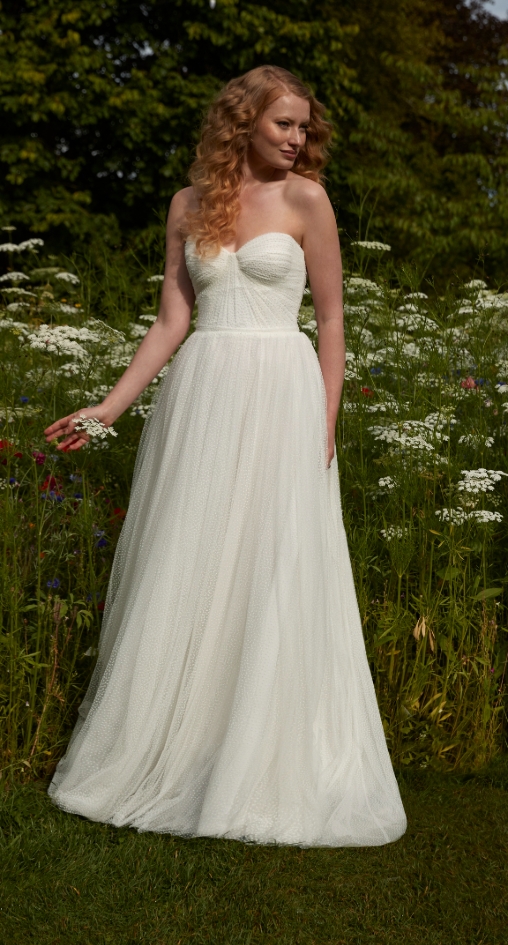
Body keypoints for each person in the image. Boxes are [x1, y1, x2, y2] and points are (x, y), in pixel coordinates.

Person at [45, 65, 407, 848]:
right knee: (194, 563)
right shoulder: (187, 205)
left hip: (283, 391)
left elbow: (335, 321)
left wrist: (326, 418)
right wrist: (108, 406)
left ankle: (265, 762)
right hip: (203, 392)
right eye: (284, 125)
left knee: (272, 567)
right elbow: (171, 321)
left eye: (305, 128)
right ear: (242, 122)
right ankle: (182, 745)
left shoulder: (308, 200)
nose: (298, 138)